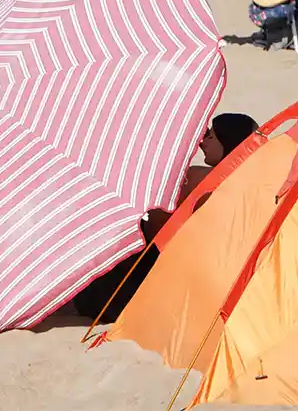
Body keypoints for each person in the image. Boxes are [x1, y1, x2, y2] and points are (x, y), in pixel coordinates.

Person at [73, 112, 258, 322]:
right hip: (211, 280)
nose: (202, 142)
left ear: (228, 142)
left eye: (210, 136)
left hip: (160, 277)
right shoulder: (252, 184)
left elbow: (153, 224)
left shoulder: (199, 179)